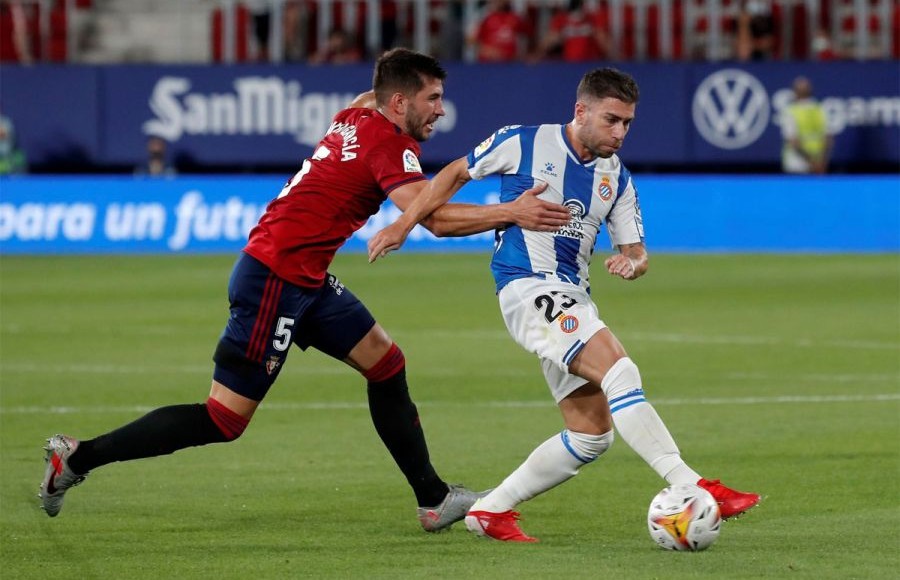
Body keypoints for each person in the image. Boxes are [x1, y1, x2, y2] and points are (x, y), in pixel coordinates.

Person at [39, 48, 571, 531]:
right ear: (400, 101)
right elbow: (428, 216)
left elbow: (373, 91)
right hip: (275, 278)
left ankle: (433, 499)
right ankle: (78, 457)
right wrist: (513, 212)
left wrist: (391, 66)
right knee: (224, 419)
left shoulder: (359, 113)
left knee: (386, 364)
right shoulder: (388, 141)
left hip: (305, 277)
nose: (440, 111)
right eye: (432, 100)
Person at [368, 67, 762, 542]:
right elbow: (452, 174)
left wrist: (632, 265)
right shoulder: (523, 141)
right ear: (581, 111)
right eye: (612, 120)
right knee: (621, 372)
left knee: (591, 434)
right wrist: (403, 224)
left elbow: (635, 251)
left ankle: (490, 511)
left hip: (574, 296)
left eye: (628, 124)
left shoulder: (617, 177)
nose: (620, 133)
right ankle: (692, 484)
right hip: (528, 287)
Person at [781, 76, 833, 175]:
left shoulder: (790, 111)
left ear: (795, 92)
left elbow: (793, 142)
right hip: (817, 164)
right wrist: (820, 162)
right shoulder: (820, 109)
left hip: (796, 164)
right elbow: (828, 140)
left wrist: (813, 162)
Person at [533, 0, 611, 62]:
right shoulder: (561, 20)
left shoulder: (591, 18)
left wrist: (614, 57)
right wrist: (536, 55)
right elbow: (550, 39)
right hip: (570, 64)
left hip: (590, 62)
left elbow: (602, 38)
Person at [467, 0, 531, 63]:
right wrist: (487, 50)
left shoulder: (516, 17)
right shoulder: (483, 15)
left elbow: (530, 35)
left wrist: (527, 56)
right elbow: (470, 40)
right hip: (487, 64)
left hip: (510, 64)